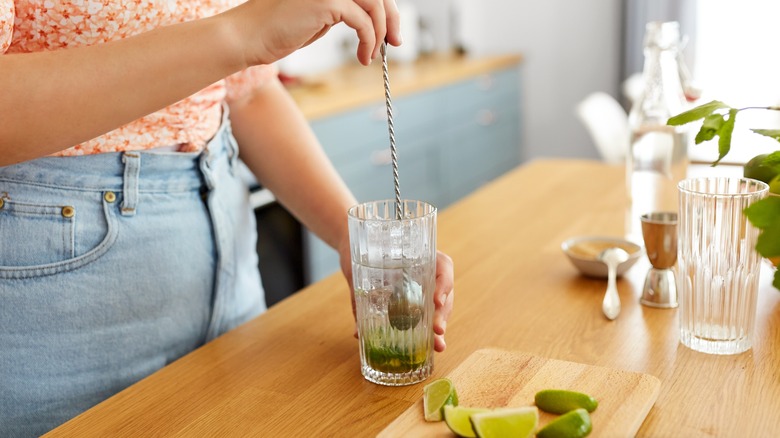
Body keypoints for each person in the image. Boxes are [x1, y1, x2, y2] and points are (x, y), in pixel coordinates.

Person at [0, 1, 455, 435]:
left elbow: (248, 90)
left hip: (227, 255)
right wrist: (244, 30)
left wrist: (350, 238)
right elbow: (243, 44)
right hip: (59, 296)